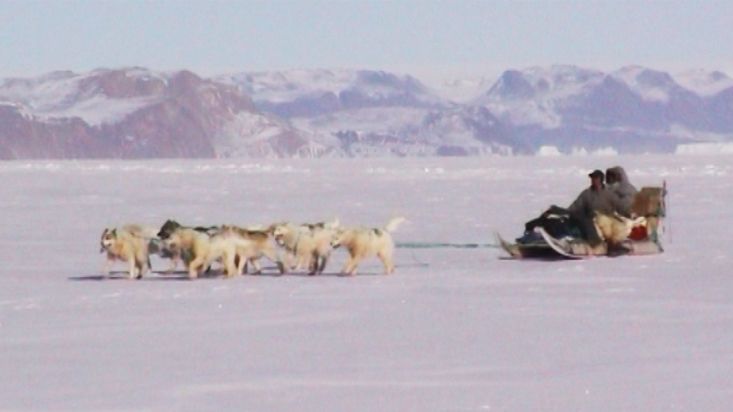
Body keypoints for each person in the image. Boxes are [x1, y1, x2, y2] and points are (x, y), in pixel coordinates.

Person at [523, 169, 628, 246]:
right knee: (564, 221)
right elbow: (575, 207)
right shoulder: (586, 194)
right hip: (588, 221)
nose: (593, 181)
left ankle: (595, 242)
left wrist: (630, 214)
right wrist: (562, 212)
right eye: (592, 178)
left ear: (601, 180)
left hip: (604, 225)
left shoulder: (609, 194)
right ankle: (535, 235)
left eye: (595, 178)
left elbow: (621, 207)